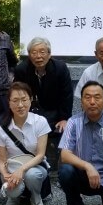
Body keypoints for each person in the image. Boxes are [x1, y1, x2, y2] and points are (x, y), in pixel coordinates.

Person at [13, 37, 73, 169]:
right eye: (34, 52)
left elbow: (67, 95)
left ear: (49, 54)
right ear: (29, 55)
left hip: (54, 110)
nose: (38, 56)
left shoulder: (60, 68)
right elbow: (18, 93)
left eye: (42, 52)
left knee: (63, 128)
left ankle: (57, 166)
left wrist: (64, 118)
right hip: (31, 111)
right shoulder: (21, 69)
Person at [0, 82, 51, 205]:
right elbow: (1, 160)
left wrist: (21, 170)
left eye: (24, 100)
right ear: (8, 102)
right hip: (11, 169)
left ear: (31, 100)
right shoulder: (1, 128)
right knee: (12, 190)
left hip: (35, 167)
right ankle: (14, 197)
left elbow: (40, 155)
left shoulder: (40, 121)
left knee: (32, 175)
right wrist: (5, 175)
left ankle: (36, 199)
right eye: (15, 100)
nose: (20, 105)